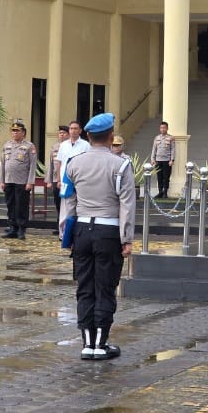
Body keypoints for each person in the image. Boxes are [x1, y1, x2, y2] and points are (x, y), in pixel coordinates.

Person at [60, 112, 135, 361]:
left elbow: (69, 202)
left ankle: (87, 343)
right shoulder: (121, 165)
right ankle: (101, 344)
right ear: (111, 136)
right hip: (109, 231)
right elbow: (127, 205)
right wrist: (126, 238)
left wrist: (66, 235)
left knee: (84, 287)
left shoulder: (74, 163)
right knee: (105, 287)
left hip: (82, 229)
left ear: (88, 136)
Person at [0, 119, 37, 240]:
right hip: (8, 180)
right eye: (13, 130)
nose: (14, 133)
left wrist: (30, 182)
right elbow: (2, 163)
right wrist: (1, 180)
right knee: (10, 205)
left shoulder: (29, 146)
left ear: (23, 132)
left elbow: (32, 165)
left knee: (21, 206)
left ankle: (21, 229)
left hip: (22, 181)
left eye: (17, 130)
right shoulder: (7, 145)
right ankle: (13, 228)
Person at [45, 125, 70, 234]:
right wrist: (49, 180)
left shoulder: (71, 146)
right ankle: (59, 225)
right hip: (56, 179)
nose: (61, 135)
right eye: (60, 133)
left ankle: (67, 226)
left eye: (64, 133)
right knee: (58, 203)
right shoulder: (55, 147)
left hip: (67, 179)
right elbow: (51, 164)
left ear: (68, 135)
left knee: (67, 203)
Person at [150, 121, 175, 198]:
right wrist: (152, 159)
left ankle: (165, 193)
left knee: (166, 177)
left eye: (164, 128)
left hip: (167, 160)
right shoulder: (157, 138)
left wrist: (172, 160)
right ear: (159, 128)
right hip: (158, 160)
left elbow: (173, 149)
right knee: (159, 177)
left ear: (167, 128)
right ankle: (160, 192)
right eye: (161, 128)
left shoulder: (170, 138)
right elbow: (154, 149)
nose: (163, 129)